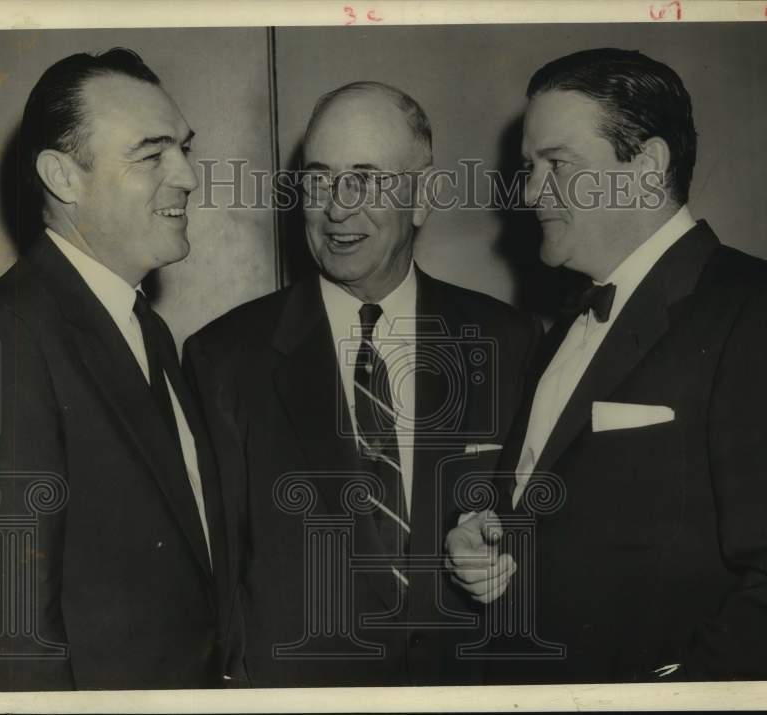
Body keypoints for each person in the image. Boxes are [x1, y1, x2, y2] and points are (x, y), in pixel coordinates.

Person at [446, 48, 767, 682]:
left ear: (645, 167)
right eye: (529, 168)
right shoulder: (562, 328)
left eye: (556, 165)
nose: (531, 192)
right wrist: (482, 550)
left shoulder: (765, 309)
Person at [184, 81, 540, 686]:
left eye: (367, 180)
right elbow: (217, 591)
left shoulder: (509, 342)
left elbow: (540, 534)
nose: (338, 208)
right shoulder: (223, 359)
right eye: (319, 180)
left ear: (422, 196)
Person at [0, 49, 229, 691]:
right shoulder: (0, 334)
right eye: (152, 153)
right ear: (63, 177)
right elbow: (4, 640)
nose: (186, 175)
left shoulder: (146, 329)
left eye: (185, 149)